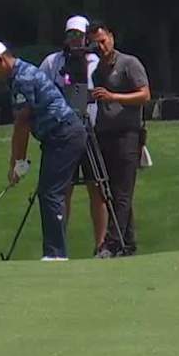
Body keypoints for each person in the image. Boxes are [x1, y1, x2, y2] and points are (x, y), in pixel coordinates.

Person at [0, 40, 87, 261]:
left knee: (51, 193)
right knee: (49, 192)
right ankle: (54, 252)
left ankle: (56, 255)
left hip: (64, 134)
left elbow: (22, 123)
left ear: (1, 61)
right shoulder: (18, 75)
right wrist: (18, 162)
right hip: (59, 136)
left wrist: (17, 163)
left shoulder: (22, 79)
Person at [38, 16, 107, 255]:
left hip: (91, 131)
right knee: (62, 189)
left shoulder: (96, 62)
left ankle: (101, 245)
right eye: (71, 34)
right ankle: (58, 247)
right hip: (62, 133)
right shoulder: (53, 62)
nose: (76, 39)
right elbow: (41, 91)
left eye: (79, 34)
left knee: (96, 187)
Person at [90, 23, 151, 259]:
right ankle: (128, 242)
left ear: (111, 38)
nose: (100, 47)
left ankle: (112, 243)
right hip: (104, 134)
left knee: (123, 191)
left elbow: (145, 95)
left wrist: (114, 96)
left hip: (127, 134)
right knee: (112, 191)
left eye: (103, 41)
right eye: (95, 43)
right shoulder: (97, 71)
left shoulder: (129, 64)